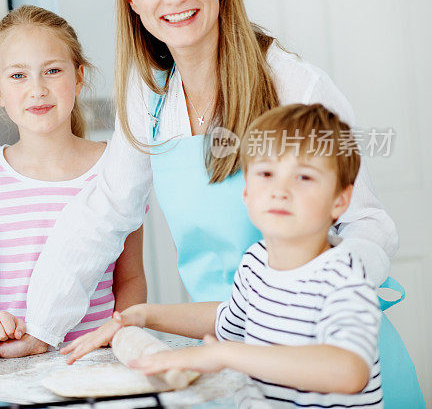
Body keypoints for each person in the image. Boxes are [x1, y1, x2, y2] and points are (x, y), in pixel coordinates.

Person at [23, 0, 423, 406]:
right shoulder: (149, 99)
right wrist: (42, 325)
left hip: (329, 360)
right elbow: (105, 211)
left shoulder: (293, 86)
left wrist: (326, 290)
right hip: (232, 351)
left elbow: (367, 222)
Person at [63, 103, 383, 407]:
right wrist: (141, 315)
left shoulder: (345, 277)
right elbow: (226, 320)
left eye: (304, 177)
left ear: (340, 201)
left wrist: (226, 355)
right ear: (247, 192)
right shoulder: (257, 262)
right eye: (267, 174)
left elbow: (349, 371)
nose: (280, 190)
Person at [0, 6, 147, 358]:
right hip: (17, 363)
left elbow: (131, 278)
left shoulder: (116, 166)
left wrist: (118, 331)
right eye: (18, 76)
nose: (37, 89)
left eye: (52, 71)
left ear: (78, 78)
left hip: (101, 359)